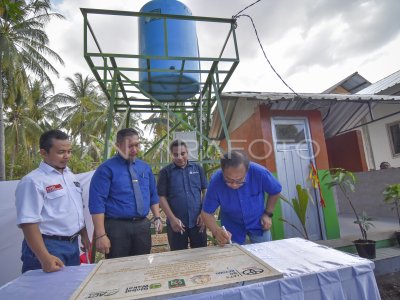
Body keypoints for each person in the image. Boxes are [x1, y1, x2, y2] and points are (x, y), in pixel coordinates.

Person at [15, 129, 90, 273]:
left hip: (72, 245)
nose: (67, 156)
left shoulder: (71, 177)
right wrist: (44, 258)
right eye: (61, 152)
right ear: (44, 153)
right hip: (48, 247)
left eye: (69, 151)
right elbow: (28, 223)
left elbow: (75, 209)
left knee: (69, 291)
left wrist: (84, 235)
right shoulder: (33, 181)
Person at [89, 128, 162, 259]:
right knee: (117, 268)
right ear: (117, 146)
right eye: (129, 146)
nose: (134, 149)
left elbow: (152, 194)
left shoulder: (145, 167)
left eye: (137, 145)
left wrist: (157, 217)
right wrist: (101, 235)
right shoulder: (106, 169)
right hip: (117, 228)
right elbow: (97, 203)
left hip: (142, 226)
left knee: (141, 265)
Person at [201, 150, 282, 246]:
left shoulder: (260, 173)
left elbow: (276, 191)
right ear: (222, 171)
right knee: (236, 258)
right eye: (229, 180)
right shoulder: (216, 182)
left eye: (239, 180)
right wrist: (216, 231)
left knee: (265, 254)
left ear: (247, 170)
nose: (234, 185)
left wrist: (268, 214)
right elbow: (206, 213)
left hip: (258, 223)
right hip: (232, 228)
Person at [157, 139, 208, 250]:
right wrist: (172, 219)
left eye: (182, 153)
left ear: (187, 152)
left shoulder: (198, 169)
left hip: (198, 222)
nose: (179, 157)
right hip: (177, 224)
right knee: (178, 257)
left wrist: (204, 214)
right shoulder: (165, 172)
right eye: (176, 154)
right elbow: (161, 197)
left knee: (201, 255)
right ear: (171, 155)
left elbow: (205, 191)